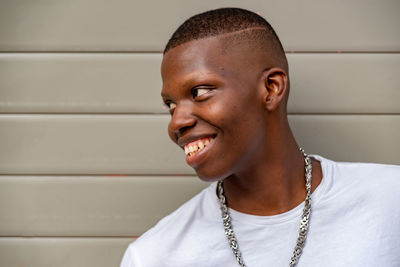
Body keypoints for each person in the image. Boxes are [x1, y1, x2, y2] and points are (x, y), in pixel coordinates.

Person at [120, 8, 400, 267]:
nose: (177, 122)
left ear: (271, 88)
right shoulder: (153, 256)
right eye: (170, 105)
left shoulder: (390, 200)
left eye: (200, 92)